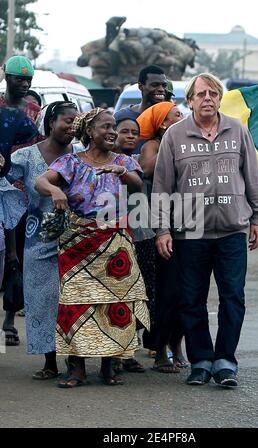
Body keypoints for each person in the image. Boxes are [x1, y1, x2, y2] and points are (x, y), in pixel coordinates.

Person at [152, 73, 258, 387]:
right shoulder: (175, 135)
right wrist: (162, 229)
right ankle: (201, 361)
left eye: (213, 93)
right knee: (191, 299)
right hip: (191, 230)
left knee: (233, 298)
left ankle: (226, 361)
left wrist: (257, 218)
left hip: (232, 230)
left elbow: (251, 178)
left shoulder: (237, 130)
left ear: (219, 98)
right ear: (189, 100)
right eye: (201, 93)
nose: (208, 98)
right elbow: (162, 187)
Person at [35, 108, 150, 387]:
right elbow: (41, 181)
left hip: (114, 243)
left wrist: (123, 172)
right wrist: (56, 190)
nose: (112, 132)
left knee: (114, 305)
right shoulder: (71, 162)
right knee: (75, 304)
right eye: (106, 127)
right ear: (89, 131)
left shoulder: (123, 161)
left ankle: (109, 367)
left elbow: (138, 186)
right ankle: (77, 370)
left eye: (114, 128)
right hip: (77, 244)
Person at [6, 101, 78, 378]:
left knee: (74, 299)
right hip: (37, 240)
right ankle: (49, 361)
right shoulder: (25, 157)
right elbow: (5, 183)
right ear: (51, 122)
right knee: (42, 300)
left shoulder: (81, 154)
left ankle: (75, 361)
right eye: (66, 121)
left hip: (76, 239)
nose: (71, 127)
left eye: (76, 122)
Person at [137, 102, 188, 373]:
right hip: (161, 225)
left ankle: (177, 346)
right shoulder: (153, 146)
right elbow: (145, 170)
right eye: (176, 115)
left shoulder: (188, 140)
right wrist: (170, 139)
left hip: (188, 220)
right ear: (163, 123)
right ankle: (159, 350)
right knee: (165, 291)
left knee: (185, 290)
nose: (183, 118)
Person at [1, 55, 41, 345]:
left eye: (28, 79)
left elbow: (35, 146)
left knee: (19, 258)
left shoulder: (32, 109)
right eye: (18, 78)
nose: (24, 83)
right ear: (6, 76)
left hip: (23, 190)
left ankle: (9, 319)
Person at [114, 115, 155, 372]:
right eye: (124, 131)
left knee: (141, 297)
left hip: (143, 237)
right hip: (115, 238)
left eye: (134, 132)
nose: (130, 136)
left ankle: (129, 350)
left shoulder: (141, 163)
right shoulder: (105, 162)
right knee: (118, 297)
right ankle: (117, 353)